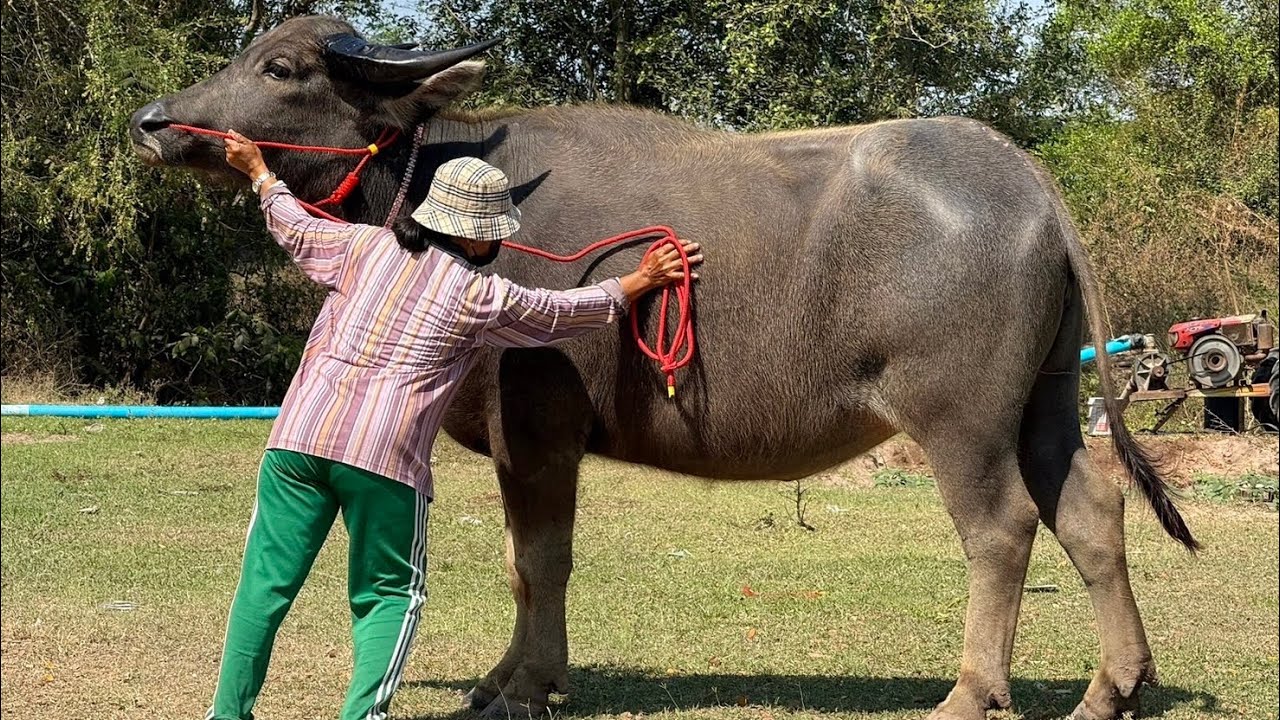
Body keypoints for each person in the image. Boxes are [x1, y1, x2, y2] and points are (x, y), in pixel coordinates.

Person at [209, 131, 702, 720]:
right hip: (383, 461)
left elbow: (291, 223)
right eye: (496, 229)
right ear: (471, 232)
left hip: (297, 441)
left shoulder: (359, 246)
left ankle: (226, 714)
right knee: (390, 596)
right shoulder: (478, 295)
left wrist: (261, 173)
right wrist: (638, 282)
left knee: (263, 588)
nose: (501, 239)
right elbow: (557, 314)